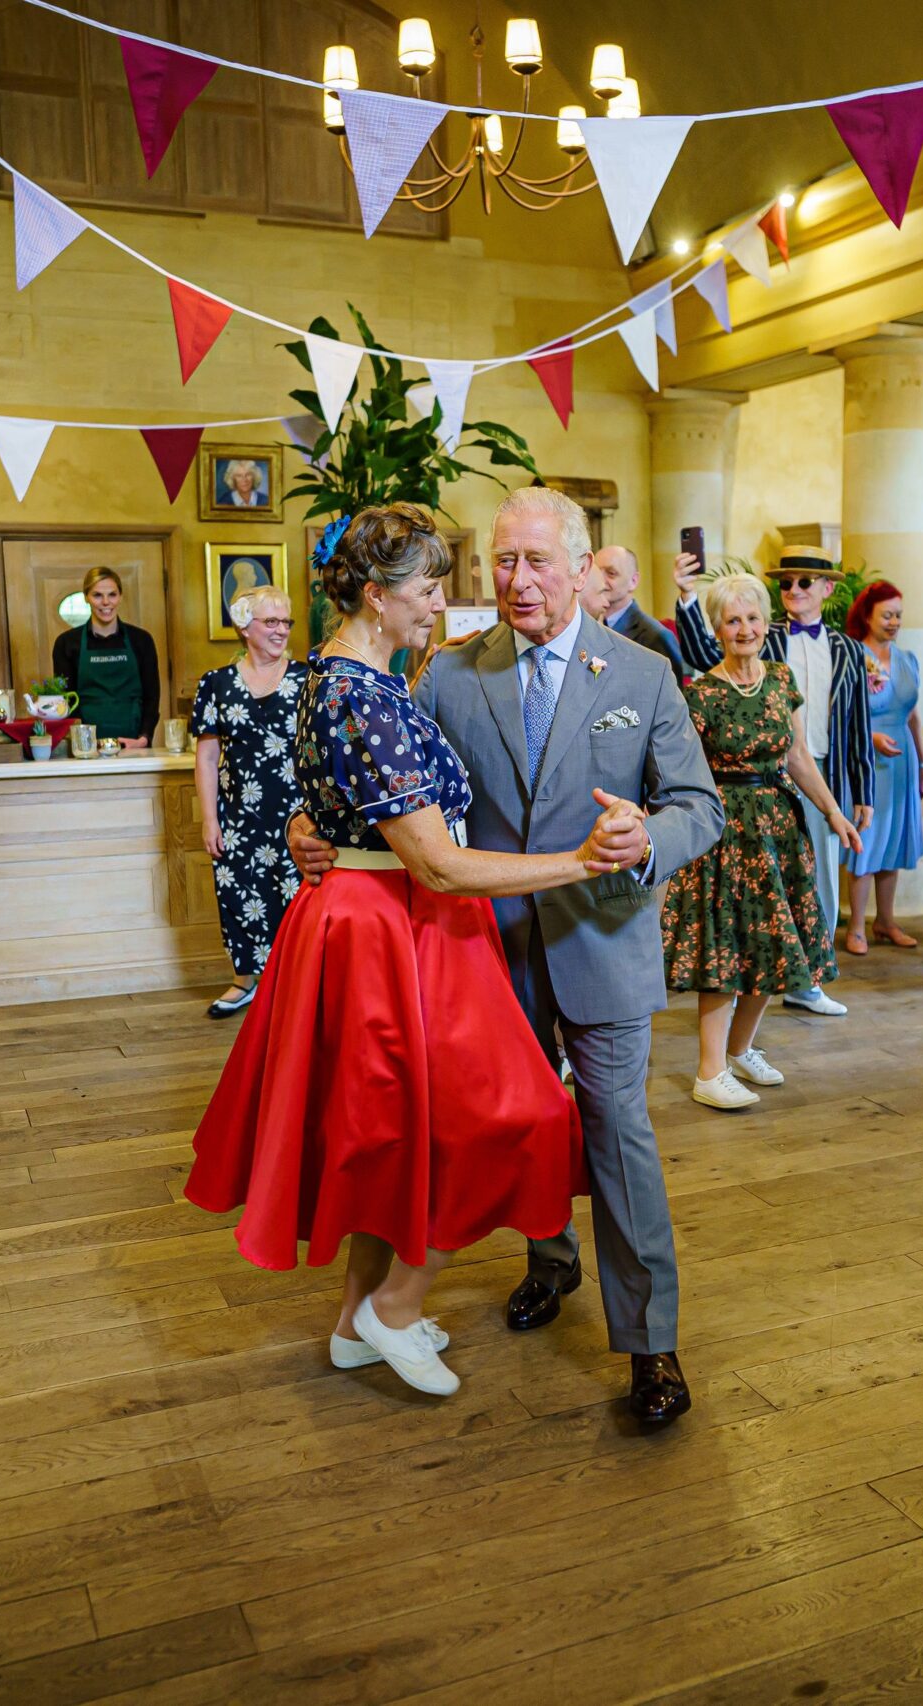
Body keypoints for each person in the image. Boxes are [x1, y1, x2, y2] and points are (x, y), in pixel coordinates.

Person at [286, 487, 723, 1426]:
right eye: (502, 562)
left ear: (579, 566)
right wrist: (306, 826)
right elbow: (379, 781)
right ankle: (548, 1263)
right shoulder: (446, 672)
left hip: (603, 943)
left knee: (616, 1136)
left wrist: (647, 839)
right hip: (477, 955)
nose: (514, 582)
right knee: (503, 1126)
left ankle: (651, 1345)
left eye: (534, 563)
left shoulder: (644, 676)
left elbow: (701, 805)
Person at [189, 505, 643, 1402]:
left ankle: (355, 1323)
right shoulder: (361, 692)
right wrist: (580, 862)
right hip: (397, 925)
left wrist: (308, 826)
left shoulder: (342, 678)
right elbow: (436, 862)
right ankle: (395, 1307)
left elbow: (334, 804)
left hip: (379, 920)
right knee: (518, 1118)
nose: (441, 603)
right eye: (427, 588)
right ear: (376, 594)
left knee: (385, 1135)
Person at [665, 571, 863, 1109]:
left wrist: (834, 813)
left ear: (765, 623)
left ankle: (739, 1050)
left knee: (773, 946)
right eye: (733, 620)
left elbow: (797, 757)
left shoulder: (779, 680)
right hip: (725, 831)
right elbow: (684, 771)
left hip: (779, 826)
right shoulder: (701, 693)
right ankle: (708, 1073)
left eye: (753, 617)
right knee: (726, 951)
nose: (745, 628)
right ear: (718, 629)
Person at [192, 587, 305, 1018]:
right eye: (270, 622)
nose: (281, 630)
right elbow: (205, 756)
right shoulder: (216, 684)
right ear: (244, 627)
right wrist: (209, 819)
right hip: (238, 817)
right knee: (241, 898)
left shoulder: (305, 678)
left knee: (297, 900)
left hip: (299, 817)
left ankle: (296, 985)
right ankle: (245, 982)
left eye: (285, 622)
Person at [843, 580, 923, 954]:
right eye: (887, 615)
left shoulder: (908, 660)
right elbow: (841, 717)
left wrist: (922, 762)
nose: (894, 622)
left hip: (903, 759)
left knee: (893, 841)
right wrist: (871, 738)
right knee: (867, 841)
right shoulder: (853, 657)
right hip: (868, 759)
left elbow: (913, 717)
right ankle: (856, 926)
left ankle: (886, 920)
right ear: (868, 616)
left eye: (898, 616)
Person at [52, 567, 160, 746]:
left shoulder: (141, 640)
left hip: (133, 745)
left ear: (120, 596)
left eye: (112, 594)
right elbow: (66, 700)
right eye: (97, 595)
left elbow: (152, 696)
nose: (105, 602)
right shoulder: (67, 643)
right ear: (86, 597)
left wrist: (144, 738)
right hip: (86, 746)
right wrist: (81, 741)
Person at [586, 544, 684, 674]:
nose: (602, 581)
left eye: (611, 573)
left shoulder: (656, 636)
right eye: (597, 572)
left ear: (633, 581)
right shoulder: (589, 625)